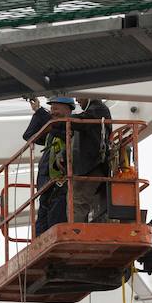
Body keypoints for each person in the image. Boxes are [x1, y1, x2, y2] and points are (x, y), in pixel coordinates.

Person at [45, 96, 113, 228]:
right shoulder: (92, 112)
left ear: (89, 94)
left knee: (78, 202)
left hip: (92, 165)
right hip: (86, 166)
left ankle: (75, 233)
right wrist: (63, 154)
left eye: (79, 95)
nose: (77, 100)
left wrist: (61, 121)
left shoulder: (98, 109)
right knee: (75, 202)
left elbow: (82, 122)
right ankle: (77, 231)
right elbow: (77, 136)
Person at [23, 96, 76, 236]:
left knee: (56, 218)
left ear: (68, 110)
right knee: (42, 223)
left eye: (56, 108)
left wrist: (41, 112)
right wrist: (38, 111)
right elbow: (29, 135)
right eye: (51, 108)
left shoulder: (73, 126)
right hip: (45, 182)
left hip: (61, 183)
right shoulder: (51, 132)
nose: (53, 112)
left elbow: (62, 130)